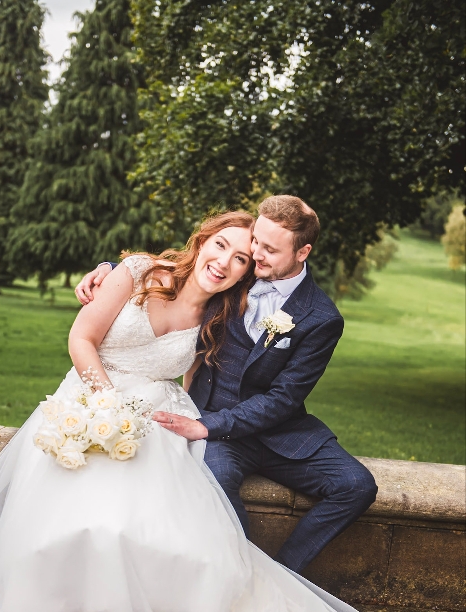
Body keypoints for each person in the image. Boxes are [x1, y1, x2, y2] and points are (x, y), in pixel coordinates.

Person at [0, 210, 447, 612]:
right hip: (91, 398)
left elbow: (269, 382)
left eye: (246, 256)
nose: (234, 260)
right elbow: (89, 328)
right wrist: (105, 289)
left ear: (273, 262)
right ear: (203, 239)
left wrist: (177, 421)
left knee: (133, 520)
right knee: (75, 508)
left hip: (170, 416)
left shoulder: (234, 308)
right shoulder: (145, 274)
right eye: (226, 246)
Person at [76, 195, 378, 574]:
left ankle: (282, 574)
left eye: (269, 249)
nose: (255, 254)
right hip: (218, 428)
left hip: (279, 432)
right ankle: (242, 574)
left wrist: (204, 427)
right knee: (215, 482)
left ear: (302, 252)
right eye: (256, 243)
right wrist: (107, 271)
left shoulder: (321, 317)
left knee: (357, 486)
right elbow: (183, 269)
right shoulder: (238, 275)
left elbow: (284, 398)